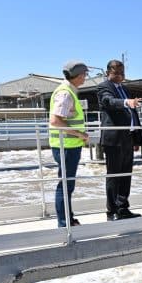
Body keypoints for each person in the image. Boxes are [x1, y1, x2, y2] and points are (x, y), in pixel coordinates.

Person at [98, 59, 142, 221]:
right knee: (114, 175)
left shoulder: (125, 89)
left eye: (122, 72)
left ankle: (123, 207)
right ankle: (112, 211)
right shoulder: (104, 87)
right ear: (107, 73)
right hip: (114, 139)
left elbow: (133, 114)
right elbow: (109, 102)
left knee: (126, 175)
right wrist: (126, 102)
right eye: (116, 72)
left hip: (128, 138)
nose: (120, 76)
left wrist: (137, 139)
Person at [49, 61, 90, 227]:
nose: (85, 78)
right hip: (66, 146)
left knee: (68, 184)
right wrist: (80, 134)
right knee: (65, 185)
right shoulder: (65, 93)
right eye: (85, 75)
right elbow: (56, 121)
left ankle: (69, 219)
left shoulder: (69, 91)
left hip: (69, 145)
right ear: (79, 75)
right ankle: (64, 223)